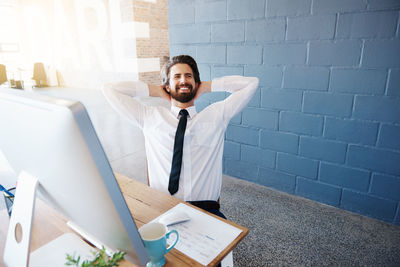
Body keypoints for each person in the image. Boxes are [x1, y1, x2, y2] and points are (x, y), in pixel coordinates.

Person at [103, 55, 259, 219]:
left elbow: (251, 83)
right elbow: (109, 89)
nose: (183, 80)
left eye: (188, 76)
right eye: (176, 77)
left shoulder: (216, 115)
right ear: (167, 86)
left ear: (196, 83)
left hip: (206, 209)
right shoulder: (149, 117)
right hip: (162, 207)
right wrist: (155, 90)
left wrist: (208, 86)